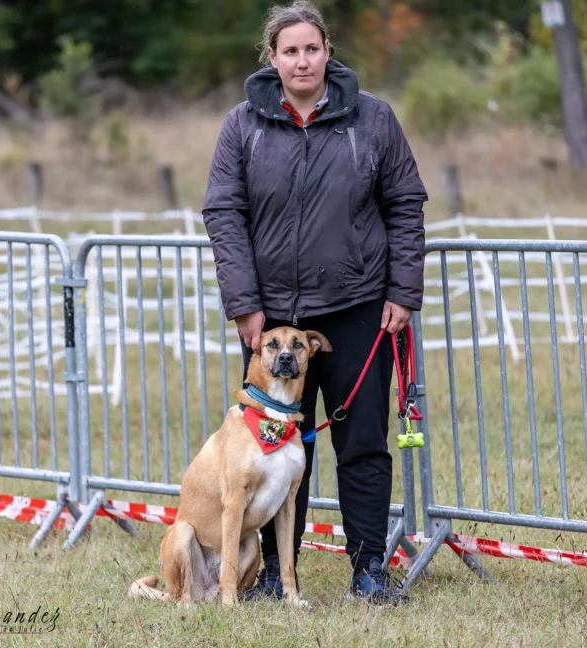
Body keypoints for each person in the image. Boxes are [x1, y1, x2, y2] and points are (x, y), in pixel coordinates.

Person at [201, 0, 428, 604]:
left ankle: (368, 570)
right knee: (276, 452)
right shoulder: (242, 125)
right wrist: (245, 305)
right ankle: (277, 577)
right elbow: (224, 214)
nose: (302, 60)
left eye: (312, 48)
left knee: (361, 443)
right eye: (289, 50)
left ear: (328, 51)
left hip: (358, 308)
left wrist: (403, 292)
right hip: (273, 321)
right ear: (271, 59)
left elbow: (406, 205)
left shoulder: (373, 119)